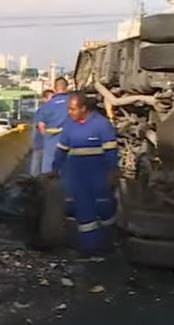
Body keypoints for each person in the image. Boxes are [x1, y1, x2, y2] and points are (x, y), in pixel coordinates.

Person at [52, 93, 119, 255]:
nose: (70, 112)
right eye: (69, 109)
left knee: (104, 209)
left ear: (83, 108)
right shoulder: (70, 126)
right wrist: (54, 169)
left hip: (99, 176)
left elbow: (111, 151)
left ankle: (110, 242)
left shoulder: (102, 125)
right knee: (84, 211)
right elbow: (61, 150)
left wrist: (112, 172)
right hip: (77, 177)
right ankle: (89, 248)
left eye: (73, 109)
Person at [37, 78, 71, 174]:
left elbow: (41, 127)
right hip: (71, 143)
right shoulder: (74, 103)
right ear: (67, 87)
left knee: (48, 174)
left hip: (51, 144)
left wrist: (49, 134)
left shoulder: (46, 106)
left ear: (55, 88)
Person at [31, 89, 55, 175]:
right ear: (44, 99)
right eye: (51, 98)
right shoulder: (42, 111)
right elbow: (41, 127)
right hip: (41, 143)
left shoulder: (51, 111)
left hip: (46, 143)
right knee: (37, 167)